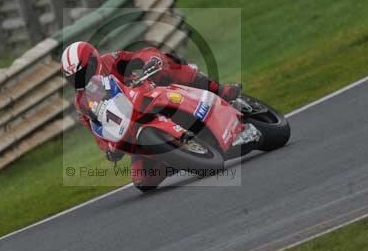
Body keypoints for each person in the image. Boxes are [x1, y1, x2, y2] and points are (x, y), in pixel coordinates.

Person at [61, 41, 240, 188]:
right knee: (142, 181)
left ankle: (219, 90)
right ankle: (177, 158)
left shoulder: (111, 61)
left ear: (94, 61)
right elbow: (96, 130)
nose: (81, 80)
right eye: (75, 78)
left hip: (150, 95)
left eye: (83, 73)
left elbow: (139, 56)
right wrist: (109, 148)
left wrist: (151, 60)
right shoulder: (82, 102)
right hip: (134, 129)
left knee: (170, 63)